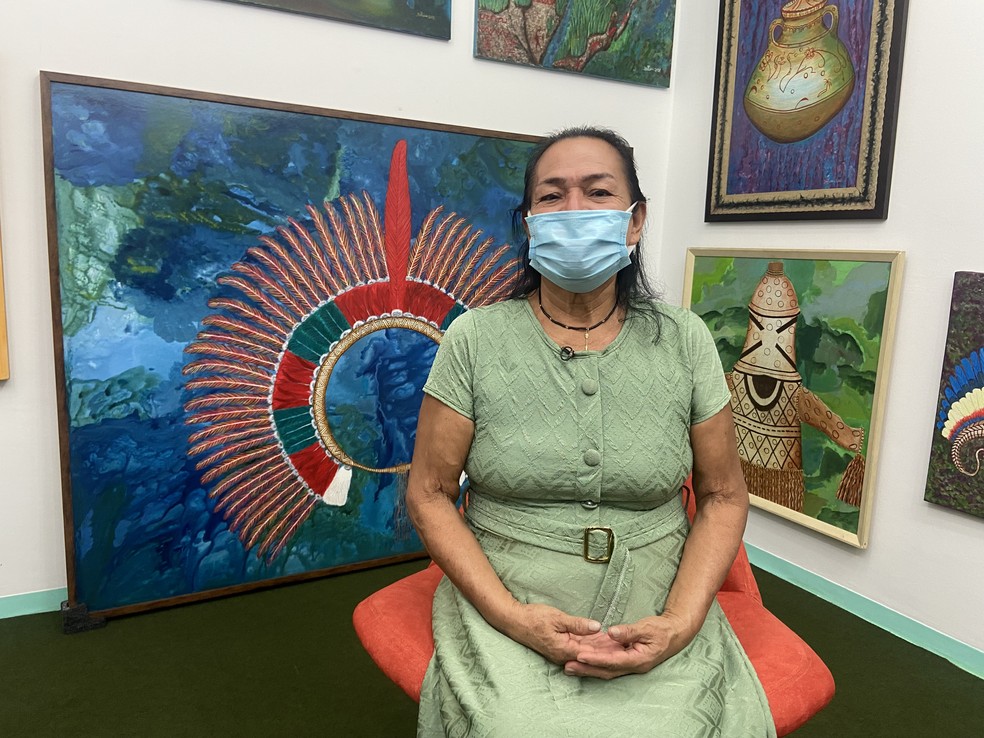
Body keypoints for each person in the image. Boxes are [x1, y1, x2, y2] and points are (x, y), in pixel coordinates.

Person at [406, 126, 776, 737]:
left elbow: (722, 495)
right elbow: (429, 494)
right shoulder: (474, 339)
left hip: (656, 593)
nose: (574, 210)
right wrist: (513, 617)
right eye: (551, 196)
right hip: (509, 590)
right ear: (529, 224)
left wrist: (679, 624)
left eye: (598, 192)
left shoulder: (684, 340)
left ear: (635, 221)